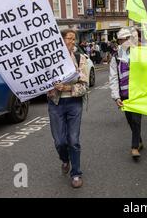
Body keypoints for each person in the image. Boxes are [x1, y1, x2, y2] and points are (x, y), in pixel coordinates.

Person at [47, 29, 89, 188]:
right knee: (59, 141)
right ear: (61, 40)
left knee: (73, 140)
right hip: (55, 105)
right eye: (69, 38)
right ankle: (65, 159)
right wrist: (52, 88)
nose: (72, 42)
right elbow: (42, 84)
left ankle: (76, 173)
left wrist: (68, 89)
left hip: (74, 104)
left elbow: (85, 86)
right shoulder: (49, 60)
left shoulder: (80, 58)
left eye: (73, 39)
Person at [109, 27, 144, 160]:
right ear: (119, 41)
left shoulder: (140, 54)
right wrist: (116, 96)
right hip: (124, 94)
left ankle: (134, 147)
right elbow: (113, 77)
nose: (127, 41)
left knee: (136, 119)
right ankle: (139, 140)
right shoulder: (116, 57)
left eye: (129, 38)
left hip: (138, 93)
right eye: (124, 39)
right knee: (130, 121)